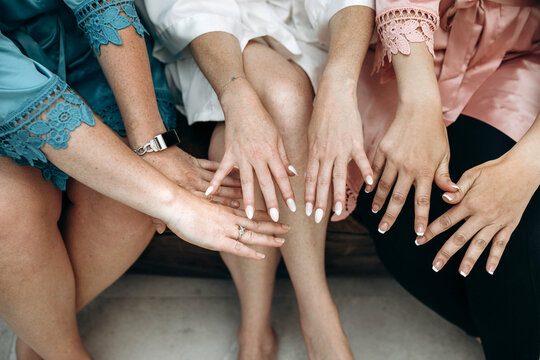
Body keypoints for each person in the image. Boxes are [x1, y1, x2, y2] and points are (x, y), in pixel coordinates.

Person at [0, 1, 288, 359]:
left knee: (128, 207)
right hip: (8, 92)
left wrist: (150, 144)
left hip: (91, 57)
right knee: (7, 212)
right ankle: (63, 353)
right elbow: (26, 99)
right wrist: (176, 205)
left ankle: (35, 337)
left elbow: (103, 5)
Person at [140, 0, 375, 358]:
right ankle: (316, 315)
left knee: (281, 101)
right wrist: (236, 96)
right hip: (208, 35)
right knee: (283, 96)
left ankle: (263, 323)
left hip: (309, 29)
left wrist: (339, 83)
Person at [304, 0, 539, 358]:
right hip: (410, 49)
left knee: (506, 233)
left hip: (518, 56)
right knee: (400, 218)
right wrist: (418, 104)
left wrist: (526, 167)